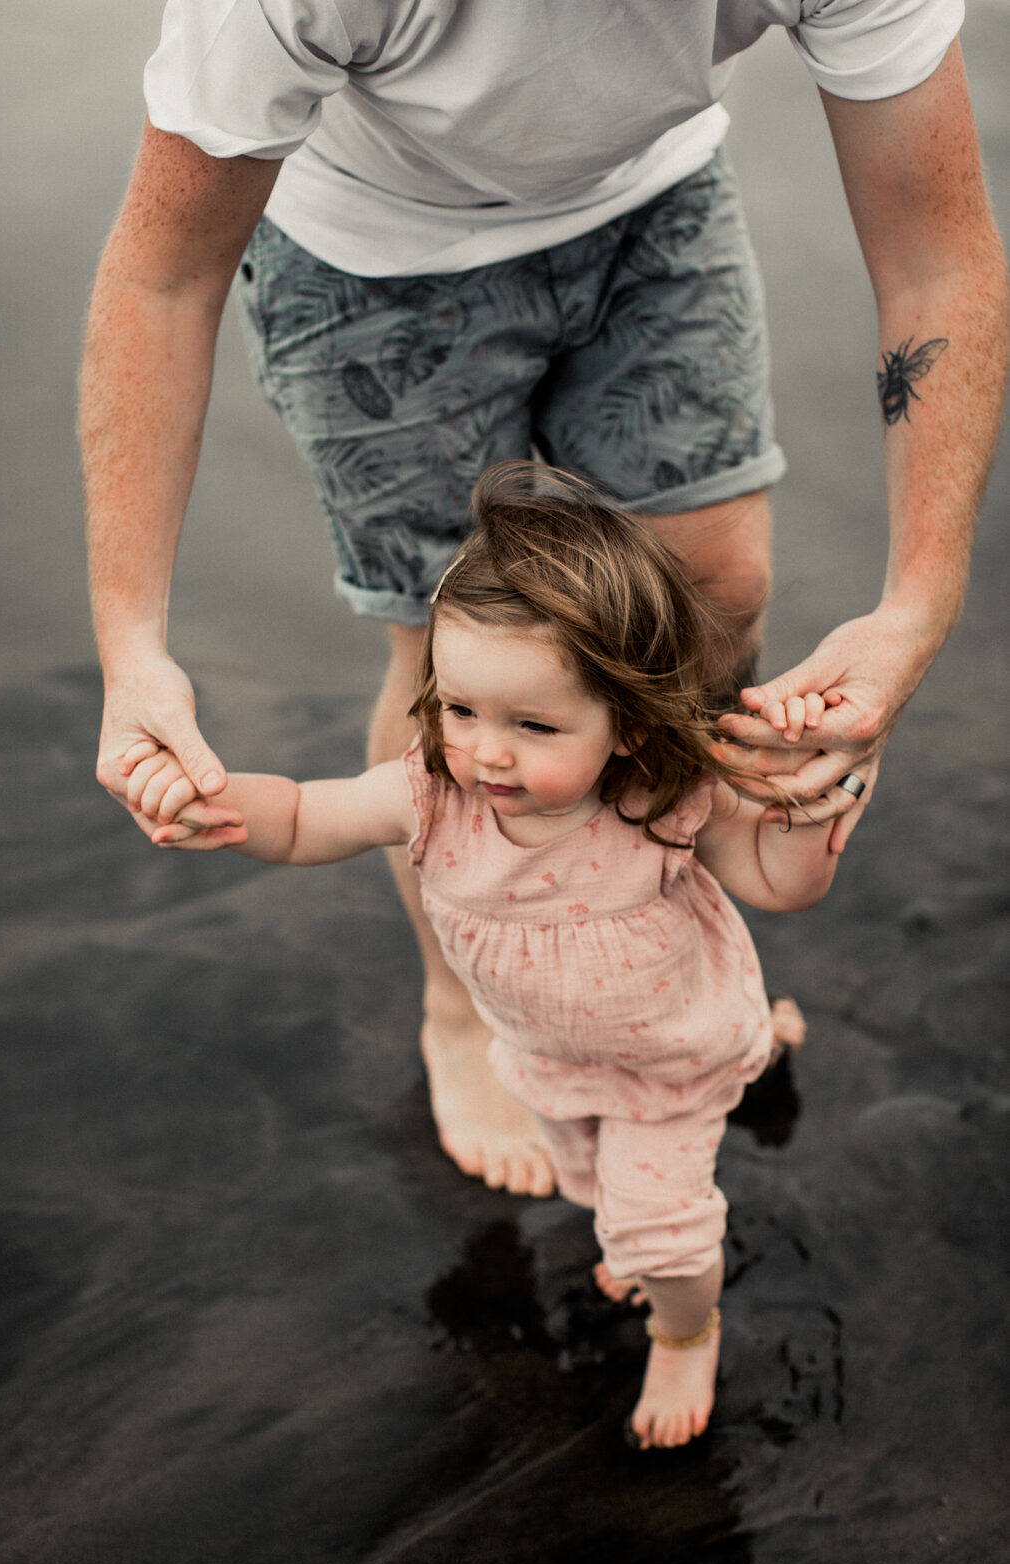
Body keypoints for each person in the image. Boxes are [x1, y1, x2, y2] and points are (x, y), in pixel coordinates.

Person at [82, 0, 1008, 1197]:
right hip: (372, 254)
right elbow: (162, 282)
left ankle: (664, 966)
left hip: (648, 198)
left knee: (708, 599)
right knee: (456, 661)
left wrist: (914, 603)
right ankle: (469, 1008)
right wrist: (132, 643)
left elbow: (937, 255)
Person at [120, 463, 847, 1448]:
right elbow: (302, 814)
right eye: (460, 710)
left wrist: (808, 817)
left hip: (670, 1057)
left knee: (663, 1228)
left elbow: (776, 880)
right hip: (546, 1055)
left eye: (532, 724)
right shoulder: (432, 796)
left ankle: (686, 1326)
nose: (486, 752)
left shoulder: (657, 798)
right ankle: (709, 1121)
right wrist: (210, 803)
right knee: (585, 1177)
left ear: (624, 722)